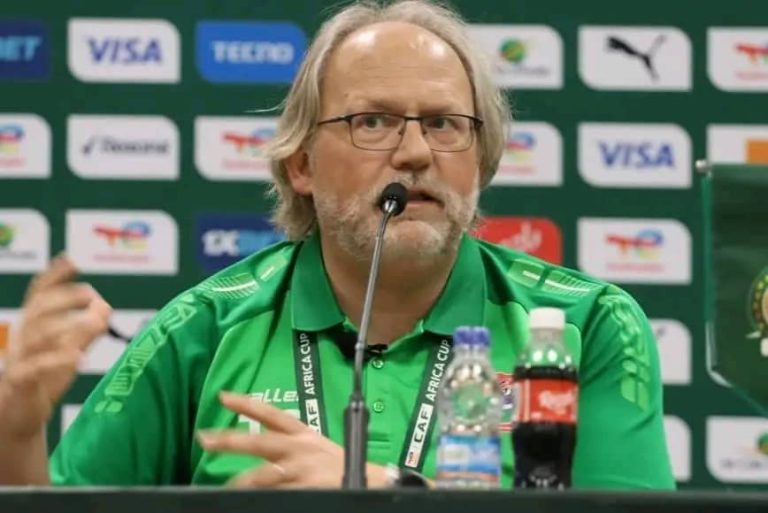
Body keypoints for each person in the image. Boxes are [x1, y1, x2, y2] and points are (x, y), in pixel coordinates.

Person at [0, 0, 674, 489]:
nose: (415, 152)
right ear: (301, 165)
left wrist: (385, 489)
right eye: (372, 121)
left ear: (483, 161)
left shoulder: (586, 325)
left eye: (445, 124)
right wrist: (16, 434)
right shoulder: (202, 330)